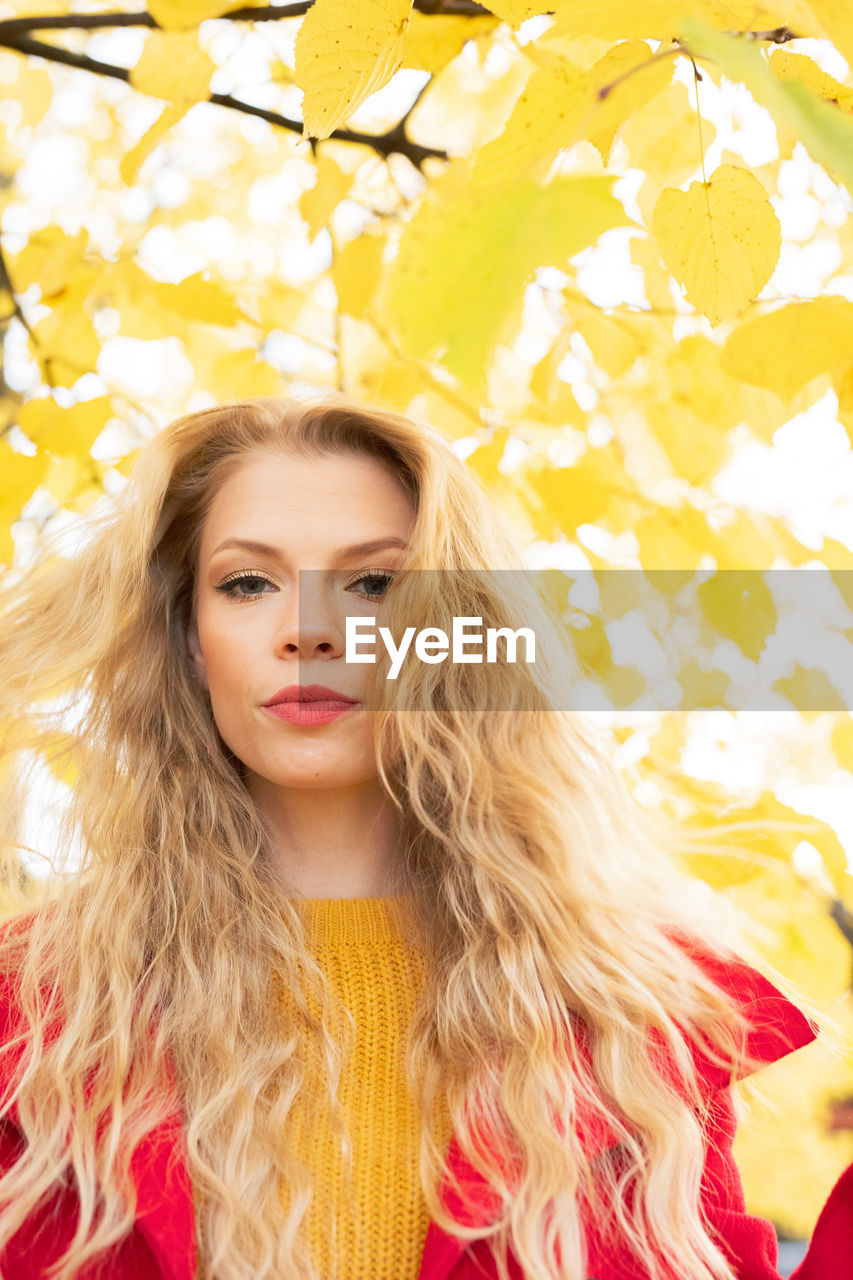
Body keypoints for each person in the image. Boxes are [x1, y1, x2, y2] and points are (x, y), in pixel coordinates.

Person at [0, 391, 820, 1280]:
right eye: (247, 583)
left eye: (373, 583)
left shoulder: (629, 1021)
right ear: (190, 639)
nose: (308, 631)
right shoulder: (40, 1016)